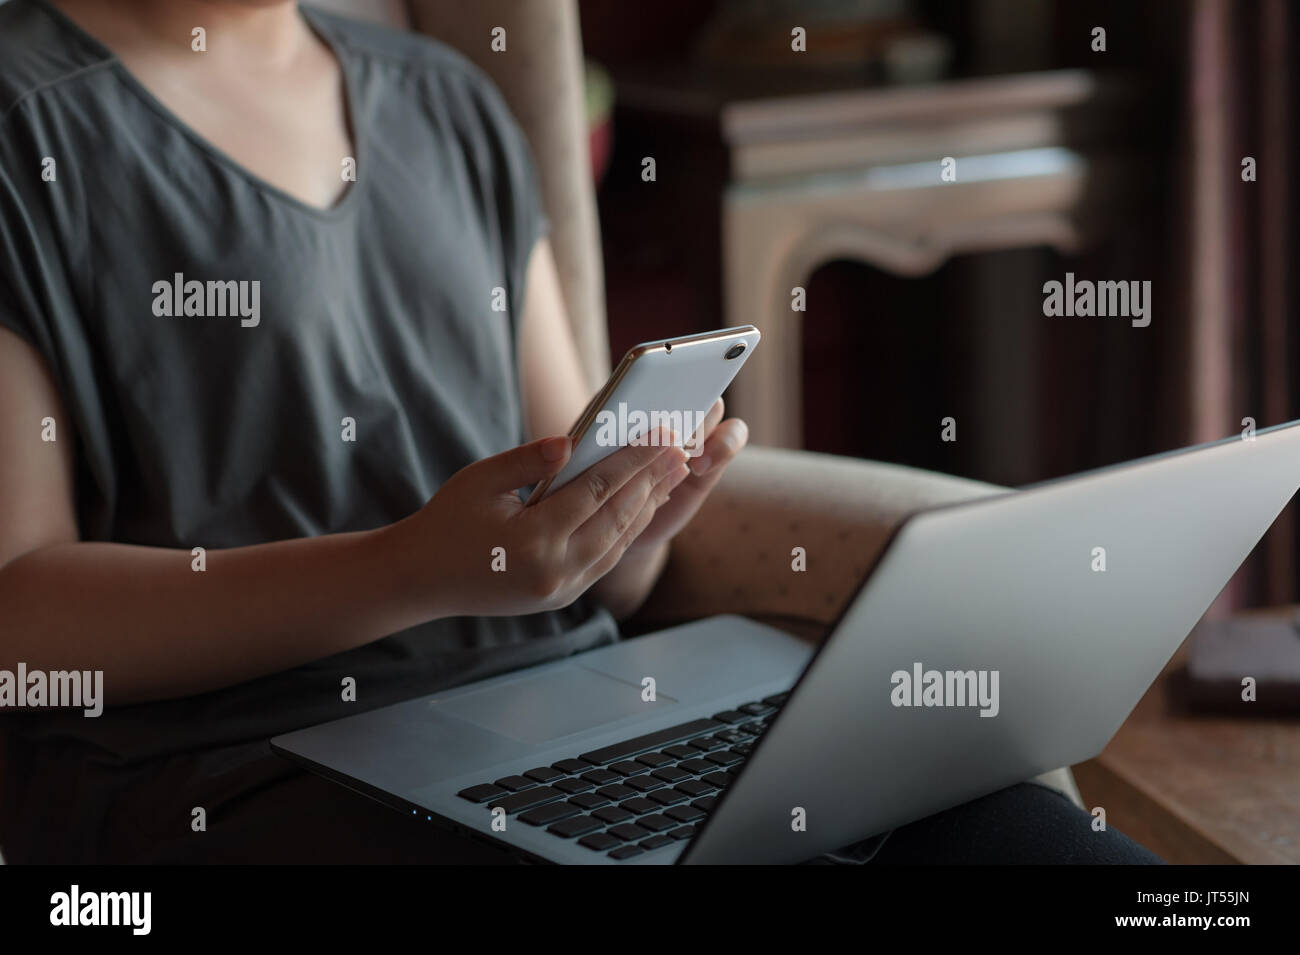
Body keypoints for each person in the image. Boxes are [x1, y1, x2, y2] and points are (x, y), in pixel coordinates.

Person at [0, 0, 1160, 865]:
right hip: (243, 770)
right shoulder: (26, 122)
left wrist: (634, 510)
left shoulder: (448, 103)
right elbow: (20, 621)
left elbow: (589, 573)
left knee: (1030, 846)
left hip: (567, 717)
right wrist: (409, 569)